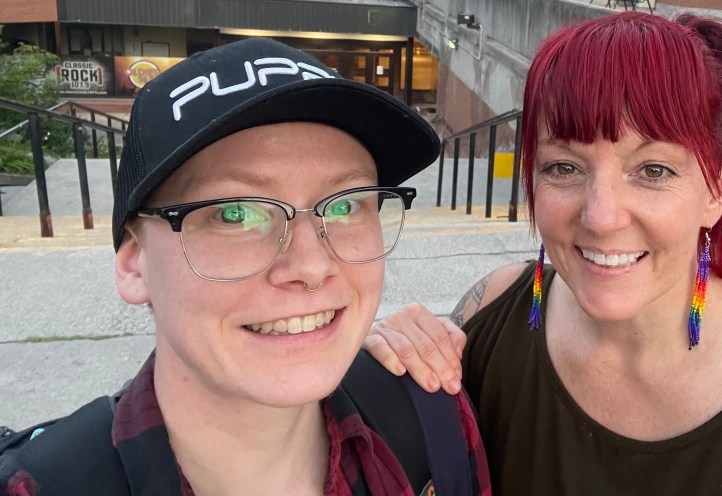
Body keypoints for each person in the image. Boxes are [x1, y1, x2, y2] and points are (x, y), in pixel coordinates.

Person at [365, 12, 722, 496]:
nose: (601, 216)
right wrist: (373, 374)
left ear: (717, 188)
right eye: (564, 166)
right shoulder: (491, 316)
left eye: (653, 170)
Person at [0, 38, 489, 496]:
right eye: (236, 213)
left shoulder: (433, 419)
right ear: (134, 263)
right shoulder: (38, 484)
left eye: (344, 205)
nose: (312, 267)